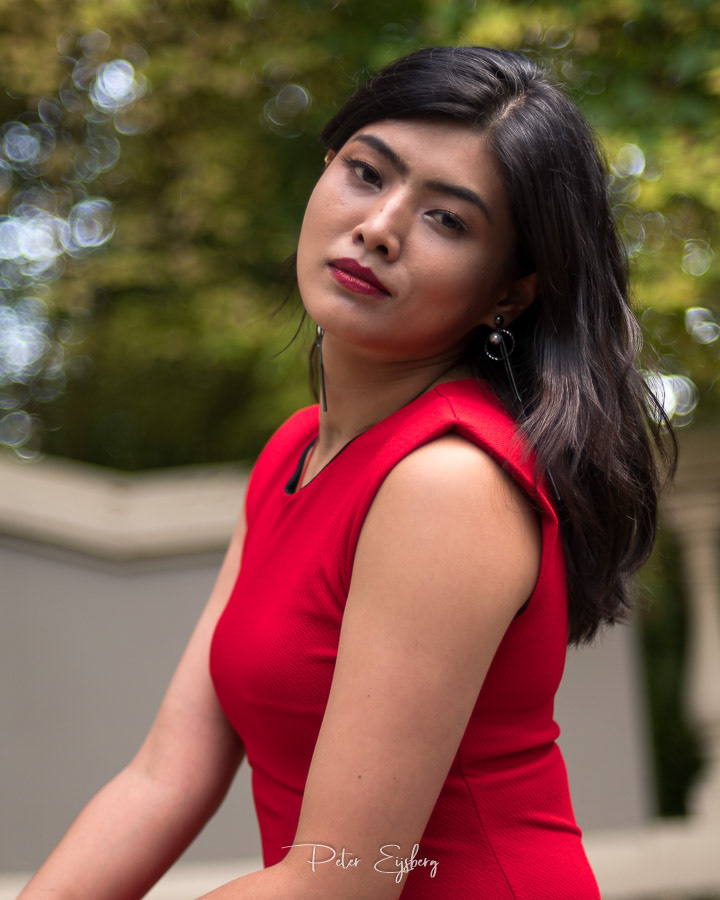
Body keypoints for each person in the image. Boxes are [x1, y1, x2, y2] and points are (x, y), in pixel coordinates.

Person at [19, 45, 674, 899]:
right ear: (325, 168)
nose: (380, 227)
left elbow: (340, 880)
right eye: (367, 173)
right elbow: (162, 777)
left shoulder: (449, 482)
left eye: (448, 220)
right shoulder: (295, 453)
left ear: (508, 293)